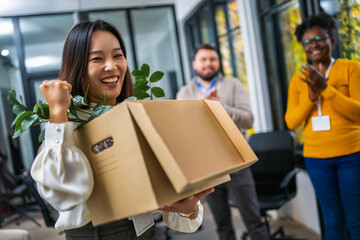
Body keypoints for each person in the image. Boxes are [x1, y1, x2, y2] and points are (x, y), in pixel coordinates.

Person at [30, 20, 213, 240]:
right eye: (97, 58)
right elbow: (64, 197)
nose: (112, 66)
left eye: (118, 55)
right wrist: (58, 115)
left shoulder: (137, 118)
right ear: (78, 66)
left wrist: (188, 207)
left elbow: (167, 204)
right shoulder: (67, 128)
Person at [177, 43, 270, 240]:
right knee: (222, 224)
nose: (208, 64)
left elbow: (248, 119)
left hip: (236, 159)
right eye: (203, 60)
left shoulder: (233, 85)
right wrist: (203, 109)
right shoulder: (185, 93)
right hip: (208, 165)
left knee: (253, 218)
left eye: (212, 59)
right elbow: (184, 131)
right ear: (195, 64)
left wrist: (222, 107)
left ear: (219, 62)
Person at [285, 12, 360, 240]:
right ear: (303, 46)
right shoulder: (299, 79)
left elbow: (358, 112)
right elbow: (291, 121)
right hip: (317, 158)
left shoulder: (351, 68)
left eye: (320, 38)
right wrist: (310, 98)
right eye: (308, 41)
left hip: (351, 154)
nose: (314, 44)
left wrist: (326, 89)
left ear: (332, 40)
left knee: (356, 218)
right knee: (332, 217)